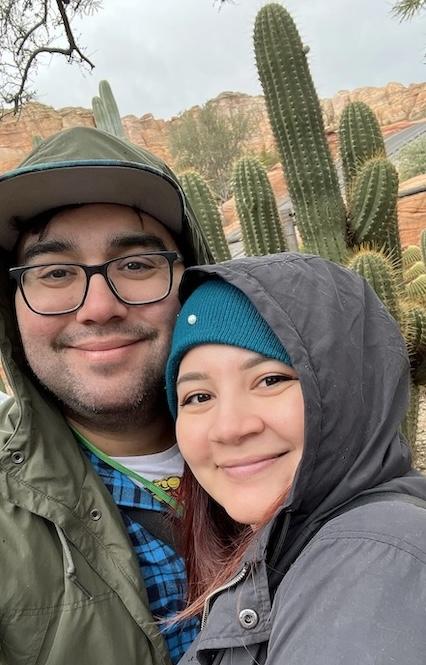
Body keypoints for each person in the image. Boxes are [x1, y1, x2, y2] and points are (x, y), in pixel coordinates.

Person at [0, 126, 212, 665]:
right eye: (55, 272)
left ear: (193, 282)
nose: (98, 307)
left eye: (136, 265)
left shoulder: (300, 443)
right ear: (12, 305)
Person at [165, 252, 426, 665]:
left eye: (270, 380)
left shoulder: (374, 560)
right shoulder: (287, 548)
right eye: (198, 397)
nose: (229, 427)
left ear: (347, 387)